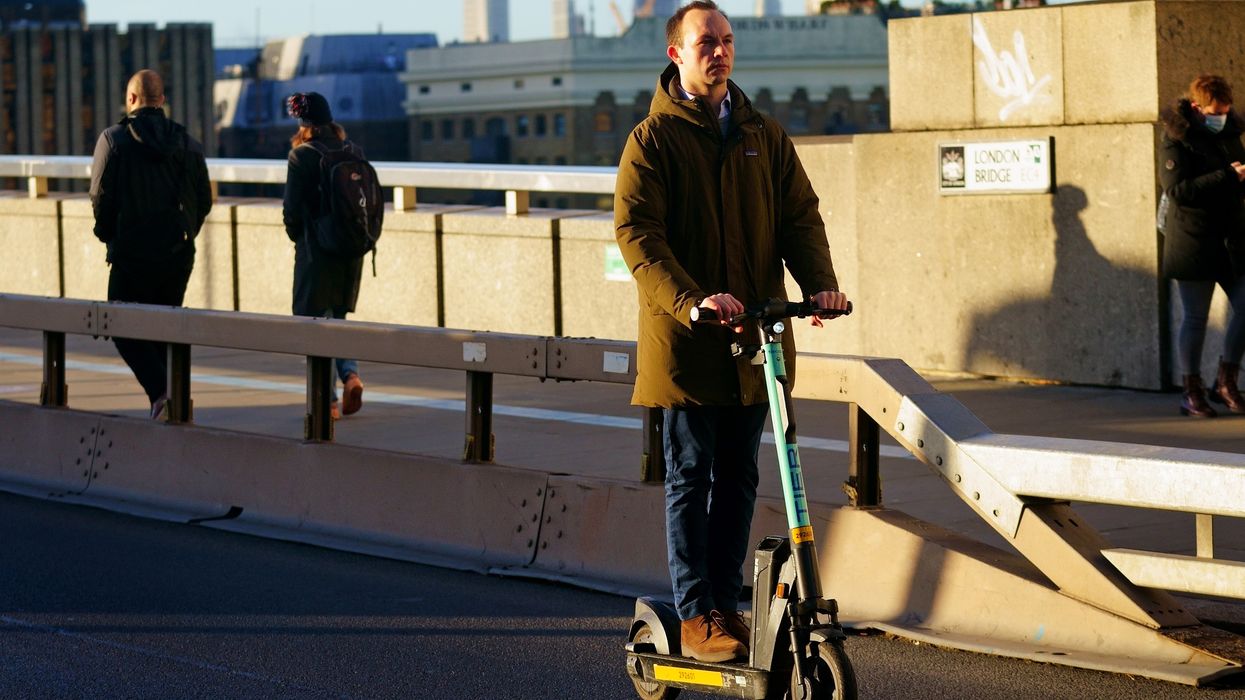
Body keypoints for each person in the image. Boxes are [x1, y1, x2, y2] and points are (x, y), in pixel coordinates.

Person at [613, 1, 849, 663]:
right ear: (676, 55)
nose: (718, 52)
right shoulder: (651, 141)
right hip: (687, 344)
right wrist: (690, 302)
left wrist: (819, 285)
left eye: (725, 40)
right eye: (704, 42)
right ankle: (695, 614)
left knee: (740, 477)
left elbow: (799, 217)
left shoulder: (762, 134)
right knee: (692, 477)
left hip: (755, 343)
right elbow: (638, 239)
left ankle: (725, 603)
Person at [89, 69, 212, 420]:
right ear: (162, 100)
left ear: (131, 100)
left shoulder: (113, 141)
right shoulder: (188, 143)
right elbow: (203, 199)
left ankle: (162, 394)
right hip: (177, 253)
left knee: (119, 322)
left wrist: (109, 235)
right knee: (163, 326)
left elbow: (100, 197)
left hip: (130, 254)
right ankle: (172, 399)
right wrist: (184, 233)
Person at [1159, 74, 1245, 417]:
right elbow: (1177, 190)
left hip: (1231, 241)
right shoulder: (1176, 138)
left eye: (1225, 110)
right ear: (1197, 107)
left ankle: (1226, 382)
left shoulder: (1229, 133)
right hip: (1193, 241)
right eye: (1214, 110)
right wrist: (1227, 176)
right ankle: (1191, 390)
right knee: (1195, 318)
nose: (1220, 115)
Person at [283, 92, 366, 420]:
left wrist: (301, 239)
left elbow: (291, 212)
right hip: (350, 252)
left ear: (303, 123)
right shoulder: (353, 151)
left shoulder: (301, 156)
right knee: (339, 319)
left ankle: (328, 402)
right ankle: (351, 375)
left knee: (312, 323)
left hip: (316, 253)